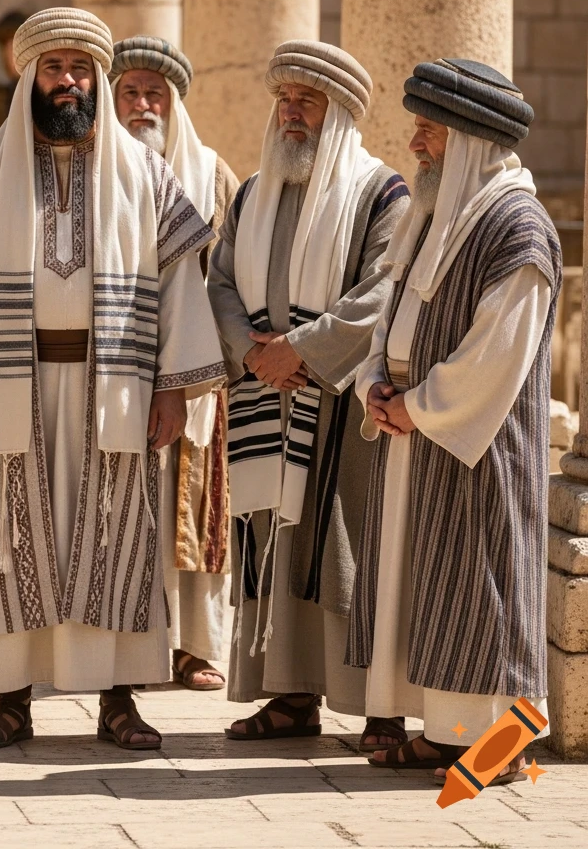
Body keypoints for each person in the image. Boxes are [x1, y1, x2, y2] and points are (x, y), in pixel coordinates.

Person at [0, 7, 226, 749]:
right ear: (29, 77)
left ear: (98, 79)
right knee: (5, 537)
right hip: (6, 384)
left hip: (118, 385)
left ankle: (120, 700)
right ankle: (10, 700)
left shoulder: (145, 170)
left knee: (118, 539)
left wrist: (174, 385)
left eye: (81, 69)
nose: (69, 81)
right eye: (55, 68)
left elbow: (179, 283)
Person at [348, 59, 560, 785]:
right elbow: (393, 313)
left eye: (429, 130)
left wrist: (417, 404)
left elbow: (496, 354)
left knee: (481, 589)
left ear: (469, 140)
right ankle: (447, 737)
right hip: (414, 431)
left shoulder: (517, 227)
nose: (416, 143)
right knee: (433, 591)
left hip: (476, 444)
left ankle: (502, 748)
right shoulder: (436, 210)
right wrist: (374, 380)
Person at [207, 40, 410, 748]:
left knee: (348, 552)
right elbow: (221, 282)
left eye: (308, 102)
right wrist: (253, 354)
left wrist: (304, 351)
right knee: (275, 546)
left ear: (343, 114)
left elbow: (382, 291)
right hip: (269, 395)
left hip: (342, 404)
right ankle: (289, 698)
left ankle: (379, 706)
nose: (292, 114)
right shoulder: (251, 194)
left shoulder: (383, 194)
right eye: (284, 100)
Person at [109, 35, 239, 691]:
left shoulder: (214, 174)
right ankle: (130, 639)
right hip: (113, 370)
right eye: (129, 93)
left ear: (174, 102)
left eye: (154, 94)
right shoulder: (92, 166)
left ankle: (197, 646)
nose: (141, 105)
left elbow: (232, 275)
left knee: (196, 505)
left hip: (195, 372)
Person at [0, 9, 27, 134]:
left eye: (14, 47)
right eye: (6, 48)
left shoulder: (34, 90)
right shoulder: (3, 93)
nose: (8, 55)